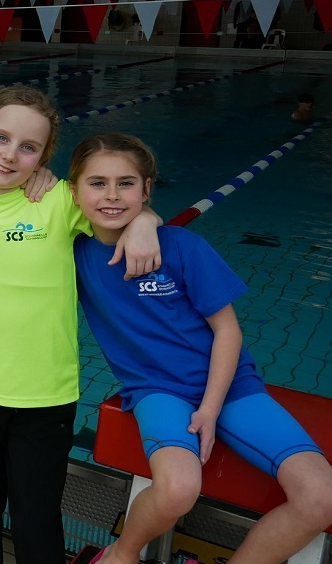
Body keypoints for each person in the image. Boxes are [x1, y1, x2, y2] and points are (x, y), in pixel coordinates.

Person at [69, 132, 332, 564]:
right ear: (74, 192)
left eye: (126, 183)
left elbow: (228, 332)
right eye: (97, 183)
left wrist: (209, 408)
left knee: (321, 496)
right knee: (177, 488)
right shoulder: (74, 253)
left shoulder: (182, 246)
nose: (112, 195)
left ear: (146, 189)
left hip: (232, 386)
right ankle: (121, 555)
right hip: (157, 390)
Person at [0, 87, 160, 564]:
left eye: (28, 147)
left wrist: (145, 220)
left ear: (43, 157)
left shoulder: (58, 201)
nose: (10, 154)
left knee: (37, 519)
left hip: (45, 399)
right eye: (1, 137)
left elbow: (114, 205)